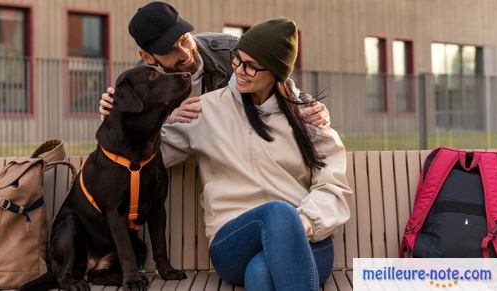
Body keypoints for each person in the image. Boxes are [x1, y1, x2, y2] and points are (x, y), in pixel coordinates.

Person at [158, 18, 351, 290]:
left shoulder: (307, 116)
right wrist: (152, 119)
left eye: (251, 66)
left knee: (260, 274)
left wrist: (305, 221)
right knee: (277, 213)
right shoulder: (206, 111)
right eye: (238, 59)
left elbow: (333, 186)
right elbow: (149, 155)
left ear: (276, 72)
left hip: (305, 239)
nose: (239, 70)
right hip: (233, 239)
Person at [99, 1, 330, 127]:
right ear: (148, 57)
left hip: (233, 154)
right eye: (170, 50)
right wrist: (164, 116)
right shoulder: (139, 81)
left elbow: (278, 80)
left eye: (183, 39)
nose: (185, 53)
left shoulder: (231, 50)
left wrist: (310, 106)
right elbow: (120, 128)